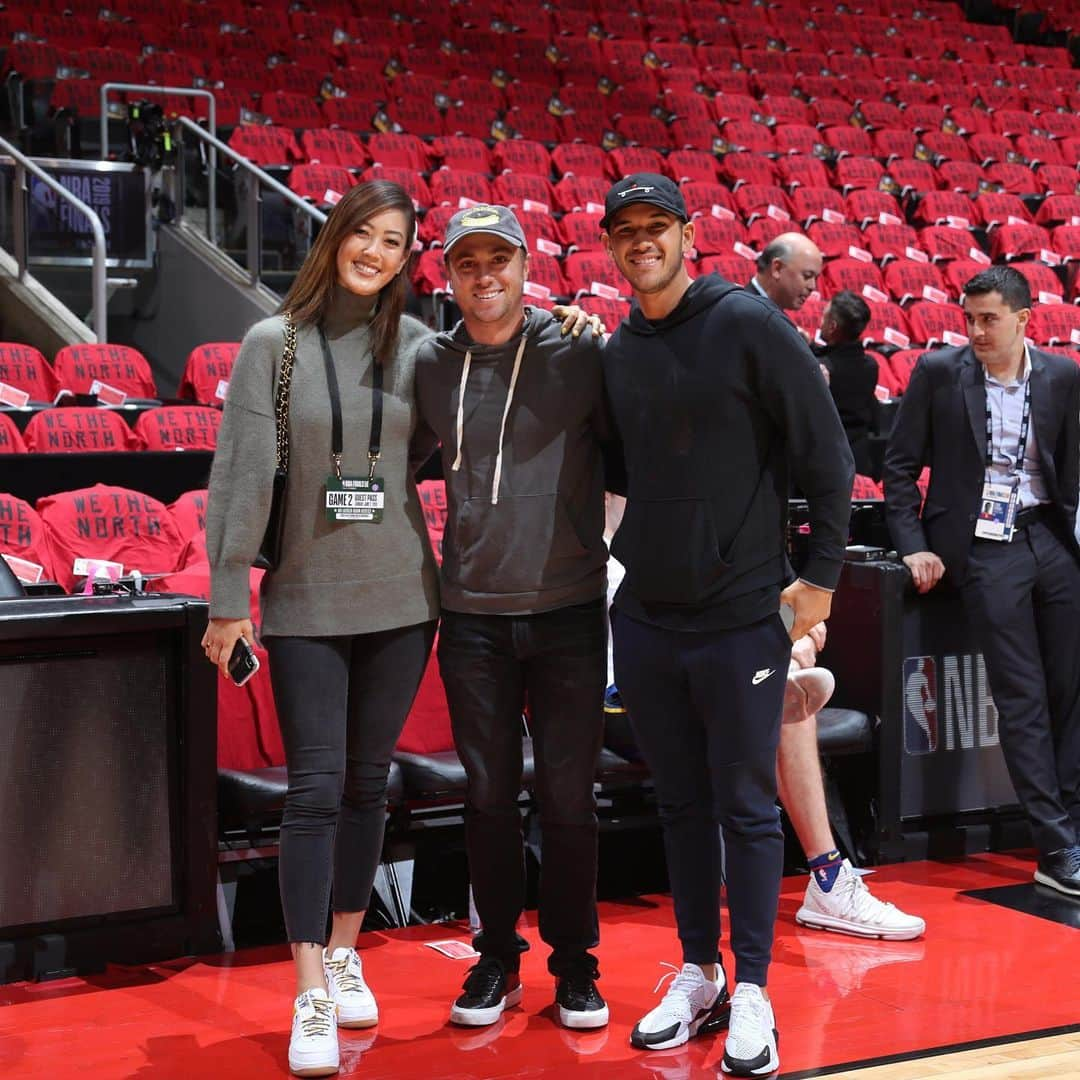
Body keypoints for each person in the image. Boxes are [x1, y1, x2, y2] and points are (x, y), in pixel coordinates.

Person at [600, 173, 854, 1076]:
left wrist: (819, 584)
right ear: (610, 245)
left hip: (743, 612)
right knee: (679, 806)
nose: (641, 242)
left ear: (687, 233)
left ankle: (753, 988)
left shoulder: (746, 323)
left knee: (747, 805)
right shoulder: (620, 347)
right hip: (648, 618)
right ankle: (699, 972)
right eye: (624, 230)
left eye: (655, 227)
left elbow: (829, 456)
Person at [202, 180, 440, 1078]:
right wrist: (231, 595)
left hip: (405, 597)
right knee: (314, 789)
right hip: (304, 596)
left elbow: (425, 448)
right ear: (337, 237)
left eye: (393, 242)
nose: (375, 253)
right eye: (364, 235)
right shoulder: (276, 345)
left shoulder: (419, 346)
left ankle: (345, 954)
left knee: (367, 786)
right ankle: (306, 994)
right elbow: (244, 473)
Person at [413, 205, 612, 1031]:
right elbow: (381, 463)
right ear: (447, 276)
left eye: (500, 258)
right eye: (468, 263)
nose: (484, 275)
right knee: (489, 798)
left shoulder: (579, 348)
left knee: (569, 799)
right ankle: (496, 957)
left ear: (527, 264)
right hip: (470, 617)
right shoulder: (428, 363)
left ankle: (576, 965)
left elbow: (641, 445)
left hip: (568, 608)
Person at [883, 265, 1080, 898]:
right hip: (982, 546)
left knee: (1070, 691)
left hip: (1049, 533)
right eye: (969, 318)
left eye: (989, 319)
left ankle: (1071, 824)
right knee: (1021, 695)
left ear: (1025, 319)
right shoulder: (940, 374)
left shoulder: (1063, 377)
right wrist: (914, 546)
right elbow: (898, 470)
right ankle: (1054, 845)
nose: (975, 331)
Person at [749, 244, 926, 942]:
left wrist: (800, 608)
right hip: (634, 664)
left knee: (782, 682)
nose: (815, 289)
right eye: (807, 275)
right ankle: (823, 877)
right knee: (778, 683)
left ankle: (826, 877)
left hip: (729, 613)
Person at [815, 291, 880, 478]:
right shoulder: (870, 366)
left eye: (824, 316)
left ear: (832, 326)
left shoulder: (819, 366)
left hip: (826, 460)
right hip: (859, 460)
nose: (821, 321)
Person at [748, 232, 824, 313]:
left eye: (815, 278)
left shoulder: (771, 313)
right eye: (807, 276)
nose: (812, 287)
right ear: (777, 268)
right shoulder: (745, 313)